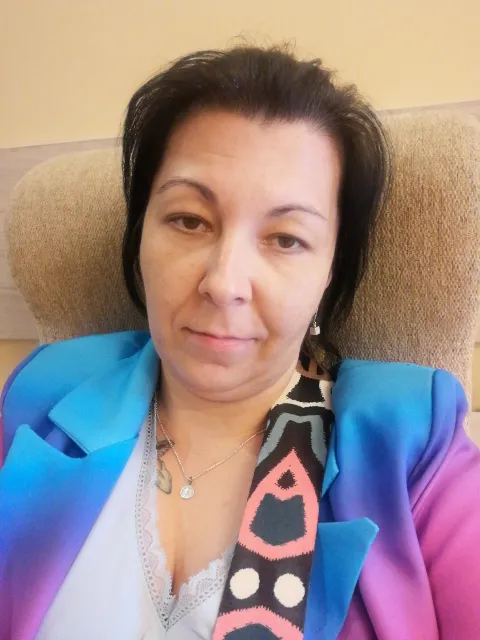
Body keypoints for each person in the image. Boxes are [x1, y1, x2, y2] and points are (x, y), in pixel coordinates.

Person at [0, 44, 479, 640]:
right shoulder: (42, 390)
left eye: (286, 239)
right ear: (141, 233)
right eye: (189, 220)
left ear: (329, 271)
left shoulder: (415, 444)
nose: (224, 284)